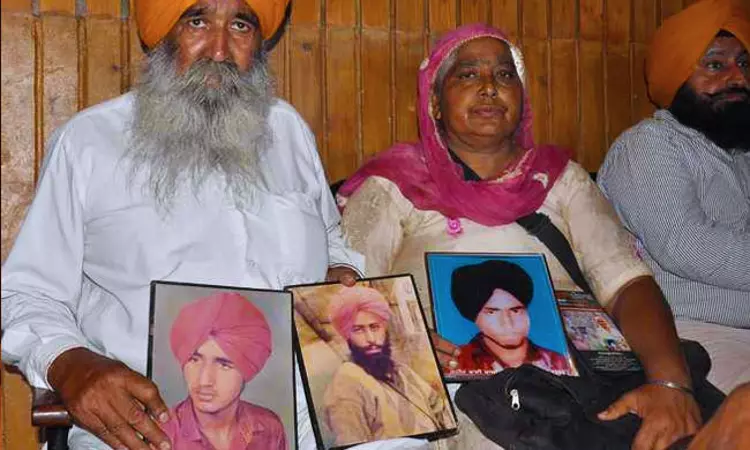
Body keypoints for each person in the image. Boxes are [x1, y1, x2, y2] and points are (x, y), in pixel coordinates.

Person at [0, 1, 363, 449]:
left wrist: (340, 273)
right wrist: (68, 361)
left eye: (240, 25)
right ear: (162, 34)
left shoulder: (288, 130)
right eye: (197, 22)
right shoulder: (89, 143)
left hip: (301, 410)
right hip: (146, 419)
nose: (219, 50)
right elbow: (29, 292)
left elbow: (330, 239)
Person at [338, 23, 711, 450]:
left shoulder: (561, 180)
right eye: (467, 74)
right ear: (435, 103)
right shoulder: (392, 185)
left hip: (576, 395)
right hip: (439, 395)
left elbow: (627, 284)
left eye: (504, 75)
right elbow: (345, 297)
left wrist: (670, 385)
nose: (489, 87)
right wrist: (409, 345)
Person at [597, 0, 750, 394]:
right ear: (677, 75)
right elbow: (687, 245)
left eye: (743, 64)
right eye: (715, 65)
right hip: (689, 337)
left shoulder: (741, 154)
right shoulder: (650, 144)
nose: (737, 77)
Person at [323, 286, 455, 447]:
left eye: (375, 327)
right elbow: (352, 444)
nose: (371, 338)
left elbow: (442, 412)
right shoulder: (346, 384)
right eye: (358, 330)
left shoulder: (401, 371)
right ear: (347, 336)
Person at [163, 292, 287, 450]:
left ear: (247, 370)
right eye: (194, 360)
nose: (204, 381)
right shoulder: (163, 432)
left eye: (224, 365)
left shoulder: (269, 428)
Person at [446, 260, 574, 377]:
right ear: (474, 319)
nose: (507, 322)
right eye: (492, 312)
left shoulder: (558, 362)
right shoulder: (457, 362)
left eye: (515, 310)